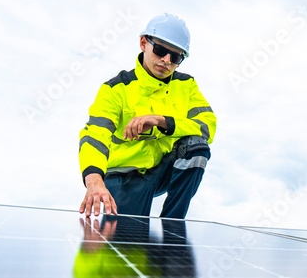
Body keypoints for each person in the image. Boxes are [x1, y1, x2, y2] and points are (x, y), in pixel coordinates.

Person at [78, 13, 216, 218]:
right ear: (144, 43)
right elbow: (95, 136)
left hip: (162, 171)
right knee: (125, 243)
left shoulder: (186, 86)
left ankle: (172, 227)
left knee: (197, 147)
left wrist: (163, 121)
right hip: (123, 179)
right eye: (160, 50)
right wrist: (94, 180)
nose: (167, 60)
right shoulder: (115, 89)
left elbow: (206, 127)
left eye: (176, 57)